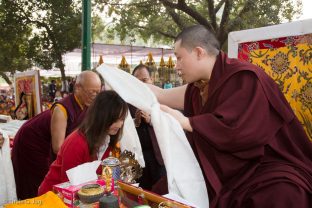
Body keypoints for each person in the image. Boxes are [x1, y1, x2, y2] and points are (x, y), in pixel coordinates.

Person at [148, 25, 312, 207]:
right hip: (223, 167)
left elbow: (242, 133)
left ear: (199, 52)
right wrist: (116, 79)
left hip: (264, 164)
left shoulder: (245, 77)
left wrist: (188, 122)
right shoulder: (198, 88)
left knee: (281, 194)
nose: (177, 66)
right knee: (163, 190)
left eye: (179, 58)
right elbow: (160, 95)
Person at [12, 71, 102, 200]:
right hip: (31, 141)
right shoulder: (62, 109)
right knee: (39, 180)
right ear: (77, 88)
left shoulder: (86, 105)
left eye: (97, 92)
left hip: (45, 139)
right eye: (91, 92)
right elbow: (58, 147)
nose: (94, 96)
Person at [38, 90, 128, 195]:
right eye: (116, 120)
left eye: (122, 120)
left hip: (86, 195)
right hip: (54, 197)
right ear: (102, 117)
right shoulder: (77, 143)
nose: (120, 125)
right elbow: (67, 185)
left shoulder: (109, 140)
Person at [130, 64, 166, 191]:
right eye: (137, 81)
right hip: (137, 157)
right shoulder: (127, 100)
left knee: (160, 192)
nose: (141, 84)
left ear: (152, 80)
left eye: (145, 80)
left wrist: (151, 120)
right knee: (140, 192)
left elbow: (169, 124)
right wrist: (136, 121)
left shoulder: (160, 99)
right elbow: (121, 127)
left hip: (158, 156)